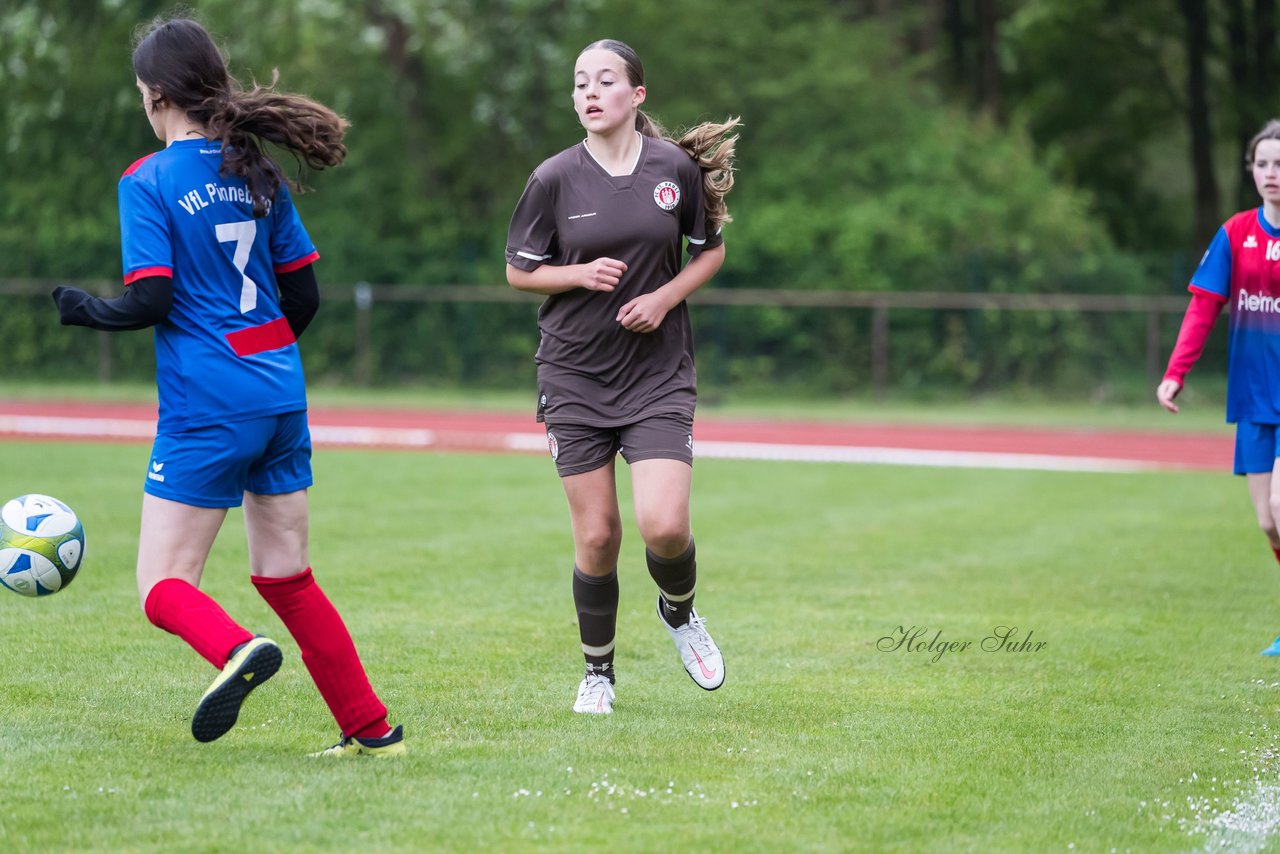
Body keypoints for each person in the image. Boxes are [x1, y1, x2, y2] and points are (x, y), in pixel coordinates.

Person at [51, 16, 403, 756]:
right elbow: (303, 296)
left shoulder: (147, 180)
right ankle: (372, 731)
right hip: (278, 390)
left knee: (161, 584)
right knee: (288, 577)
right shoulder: (254, 169)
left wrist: (87, 313)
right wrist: (259, 366)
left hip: (208, 404)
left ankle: (237, 650)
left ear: (154, 97)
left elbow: (151, 298)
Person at [505, 38, 739, 714]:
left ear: (636, 95)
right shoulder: (552, 178)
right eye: (579, 82)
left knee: (664, 526)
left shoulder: (673, 170)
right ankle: (598, 674)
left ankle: (680, 611)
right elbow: (520, 271)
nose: (589, 92)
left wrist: (665, 297)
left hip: (657, 372)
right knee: (599, 535)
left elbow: (709, 253)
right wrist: (577, 274)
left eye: (604, 80)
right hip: (574, 372)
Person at [1158, 118, 1280, 657]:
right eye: (1263, 164)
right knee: (1267, 522)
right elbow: (1203, 307)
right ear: (1251, 170)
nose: (1272, 174)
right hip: (1254, 399)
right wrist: (1174, 373)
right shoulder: (1235, 234)